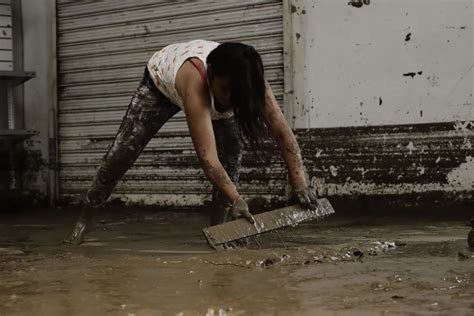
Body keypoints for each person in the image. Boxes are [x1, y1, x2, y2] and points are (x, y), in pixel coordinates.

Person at [64, 39, 318, 245]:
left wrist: (300, 185)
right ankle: (84, 220)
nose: (229, 100)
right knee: (121, 154)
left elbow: (284, 134)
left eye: (235, 93)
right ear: (210, 75)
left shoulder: (249, 82)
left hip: (210, 85)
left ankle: (217, 230)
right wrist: (237, 199)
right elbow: (208, 158)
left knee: (232, 152)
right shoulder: (196, 81)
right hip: (160, 84)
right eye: (225, 90)